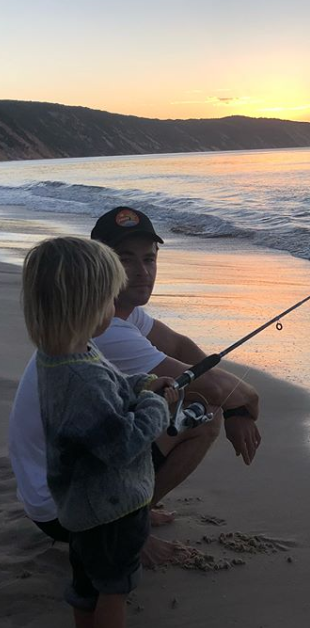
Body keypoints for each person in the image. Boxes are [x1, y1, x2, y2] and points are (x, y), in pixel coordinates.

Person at [8, 206, 261, 566]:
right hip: (67, 509)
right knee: (205, 414)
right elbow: (216, 390)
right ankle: (126, 528)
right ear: (102, 265)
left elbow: (178, 345)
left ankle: (130, 511)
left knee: (175, 404)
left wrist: (234, 403)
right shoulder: (105, 328)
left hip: (57, 486)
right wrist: (244, 404)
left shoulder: (100, 315)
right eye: (126, 260)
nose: (143, 272)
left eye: (149, 259)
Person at [21, 235, 179, 628]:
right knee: (113, 589)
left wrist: (142, 385)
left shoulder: (63, 356)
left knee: (85, 586)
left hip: (78, 504)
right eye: (110, 299)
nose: (115, 307)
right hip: (110, 509)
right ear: (88, 305)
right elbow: (123, 444)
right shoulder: (82, 376)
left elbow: (111, 388)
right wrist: (156, 405)